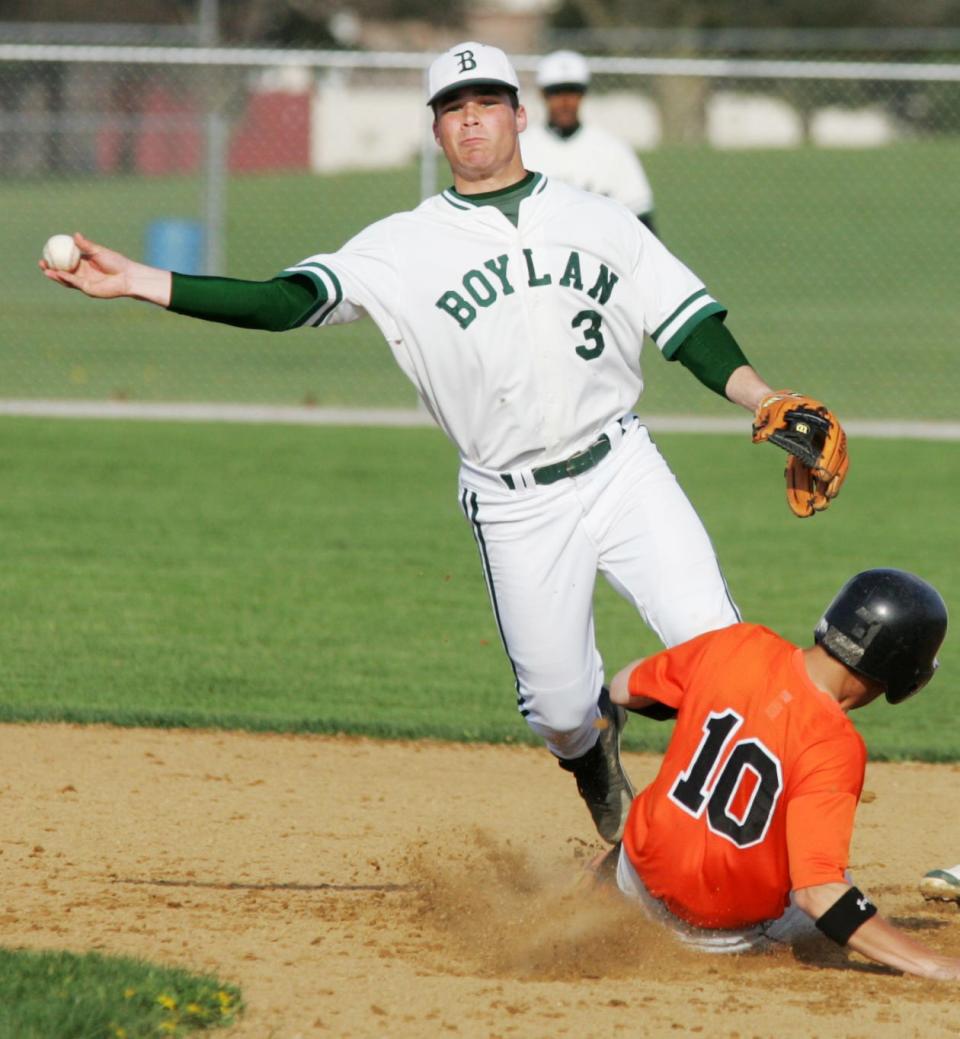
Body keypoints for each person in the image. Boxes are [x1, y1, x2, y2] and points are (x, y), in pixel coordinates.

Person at [39, 41, 847, 847]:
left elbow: (689, 325)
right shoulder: (400, 246)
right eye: (454, 109)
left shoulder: (599, 219)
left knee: (722, 654)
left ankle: (744, 852)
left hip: (623, 467)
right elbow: (286, 301)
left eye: (488, 103)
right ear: (436, 131)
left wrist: (765, 396)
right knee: (562, 712)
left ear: (519, 114)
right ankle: (597, 757)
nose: (472, 121)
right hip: (513, 499)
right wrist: (144, 281)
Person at [602, 568, 959, 979]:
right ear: (904, 671)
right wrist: (937, 964)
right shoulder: (835, 746)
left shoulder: (739, 643)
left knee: (673, 809)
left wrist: (713, 696)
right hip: (717, 933)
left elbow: (623, 689)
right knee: (832, 875)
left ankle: (604, 875)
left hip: (637, 878)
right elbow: (818, 893)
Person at [520, 50, 657, 233]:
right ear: (543, 95)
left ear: (583, 94)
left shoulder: (612, 150)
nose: (565, 101)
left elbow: (640, 217)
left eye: (573, 92)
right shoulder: (521, 148)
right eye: (556, 92)